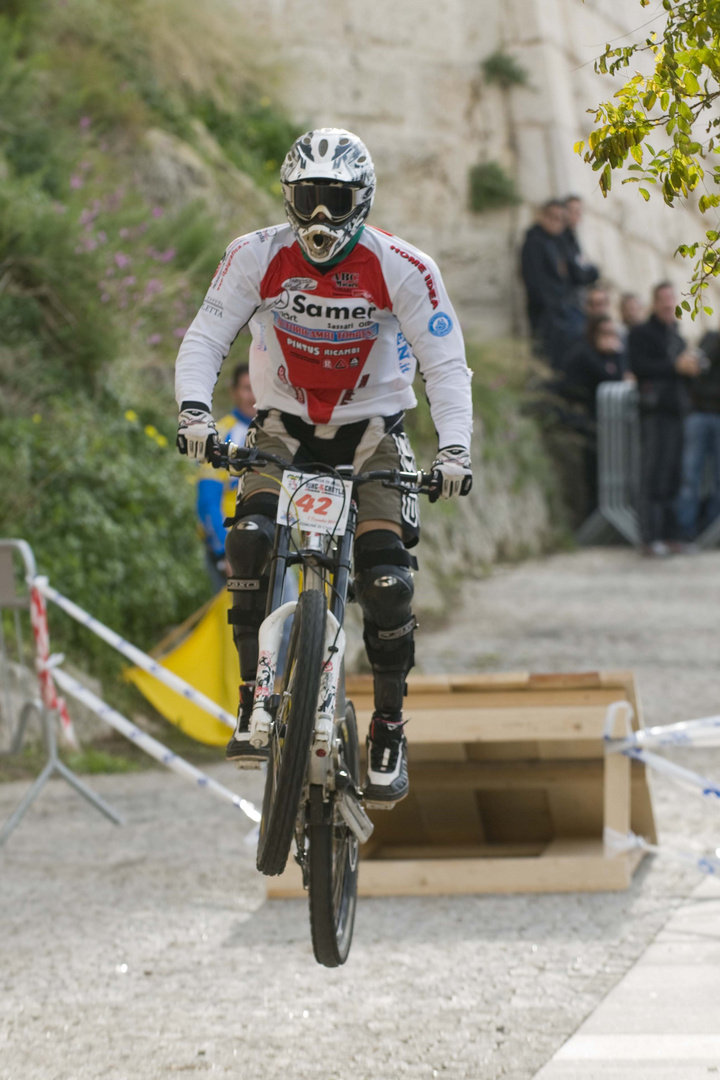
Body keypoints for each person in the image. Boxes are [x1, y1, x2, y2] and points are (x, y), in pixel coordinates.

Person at [175, 127, 473, 806]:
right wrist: (195, 412)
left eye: (334, 199)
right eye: (306, 197)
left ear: (361, 200)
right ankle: (254, 700)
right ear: (287, 197)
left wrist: (454, 448)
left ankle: (389, 730)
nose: (318, 217)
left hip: (372, 434)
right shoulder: (254, 255)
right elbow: (206, 334)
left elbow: (446, 365)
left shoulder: (403, 265)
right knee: (248, 540)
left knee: (389, 582)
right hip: (282, 427)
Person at [628, 282, 701, 555]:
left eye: (672, 300)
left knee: (674, 475)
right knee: (653, 474)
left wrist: (691, 369)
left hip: (677, 411)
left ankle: (671, 535)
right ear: (655, 303)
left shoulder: (677, 337)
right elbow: (639, 367)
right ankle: (650, 537)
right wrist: (674, 367)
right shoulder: (641, 334)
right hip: (654, 412)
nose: (668, 305)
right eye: (664, 300)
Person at [196, 363, 256, 592]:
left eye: (258, 387)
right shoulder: (220, 435)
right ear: (234, 392)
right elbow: (207, 501)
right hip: (231, 550)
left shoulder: (277, 435)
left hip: (270, 546)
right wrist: (226, 552)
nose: (253, 396)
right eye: (247, 388)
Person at [675, 323, 720, 541]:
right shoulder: (710, 338)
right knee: (690, 475)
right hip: (700, 412)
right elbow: (695, 367)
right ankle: (687, 530)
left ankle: (714, 529)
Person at [520, 200, 577, 368]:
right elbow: (535, 279)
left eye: (560, 219)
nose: (555, 222)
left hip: (560, 309)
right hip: (546, 311)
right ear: (542, 216)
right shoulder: (535, 241)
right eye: (552, 217)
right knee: (545, 356)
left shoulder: (560, 242)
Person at [561, 195, 600, 334]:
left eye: (578, 211)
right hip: (568, 302)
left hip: (577, 301)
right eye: (573, 211)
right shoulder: (561, 239)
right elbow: (576, 272)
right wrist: (591, 272)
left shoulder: (572, 238)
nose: (576, 215)